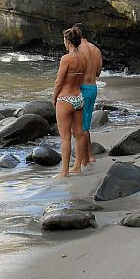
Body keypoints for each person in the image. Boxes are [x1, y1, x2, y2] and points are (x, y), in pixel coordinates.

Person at [52, 28, 88, 177]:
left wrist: (54, 97)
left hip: (65, 99)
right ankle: (77, 167)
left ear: (67, 41)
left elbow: (59, 82)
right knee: (79, 133)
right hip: (79, 98)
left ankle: (64, 171)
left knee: (65, 138)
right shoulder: (84, 58)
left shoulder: (66, 59)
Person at [72, 23, 103, 168]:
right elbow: (97, 73)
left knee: (79, 127)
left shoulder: (78, 50)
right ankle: (90, 156)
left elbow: (75, 72)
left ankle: (83, 160)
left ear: (78, 32)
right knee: (85, 125)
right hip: (93, 88)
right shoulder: (96, 49)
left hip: (82, 89)